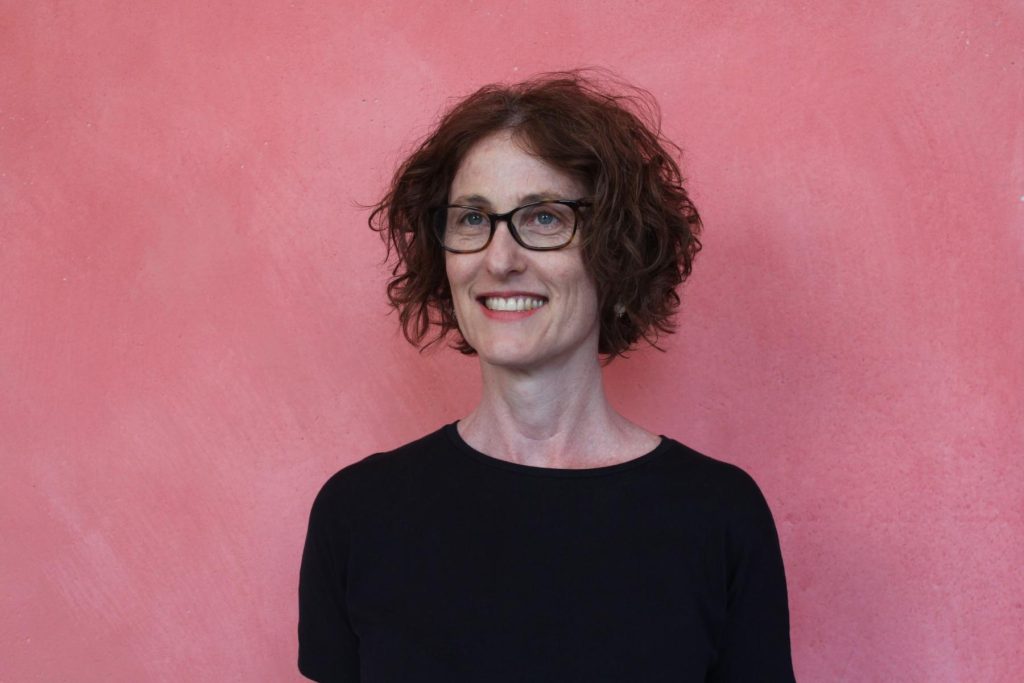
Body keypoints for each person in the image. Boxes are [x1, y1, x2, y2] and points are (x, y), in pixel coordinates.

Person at [298, 70, 795, 682]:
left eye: (543, 218)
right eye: (472, 219)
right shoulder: (358, 512)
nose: (500, 259)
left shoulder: (718, 516)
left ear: (617, 251)